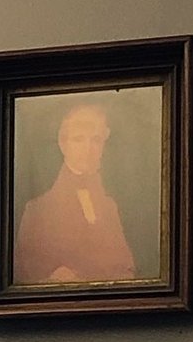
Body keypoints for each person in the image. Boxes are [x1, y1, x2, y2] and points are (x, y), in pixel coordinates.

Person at [11, 101, 146, 287]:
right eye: (78, 139)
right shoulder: (37, 210)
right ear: (63, 144)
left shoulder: (110, 207)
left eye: (95, 140)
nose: (88, 149)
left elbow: (127, 269)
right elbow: (25, 276)